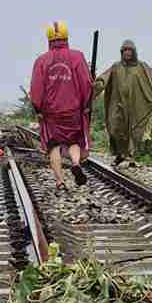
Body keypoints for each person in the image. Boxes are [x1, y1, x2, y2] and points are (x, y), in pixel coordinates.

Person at [29, 21, 94, 188]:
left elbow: (36, 88)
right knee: (74, 141)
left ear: (49, 39)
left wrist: (38, 108)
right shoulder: (77, 56)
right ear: (66, 38)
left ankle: (60, 181)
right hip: (73, 111)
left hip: (51, 113)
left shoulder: (41, 61)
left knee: (53, 146)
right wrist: (86, 105)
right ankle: (76, 163)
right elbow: (86, 83)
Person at [94, 40, 152, 165]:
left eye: (129, 50)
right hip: (118, 104)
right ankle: (120, 154)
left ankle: (132, 157)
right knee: (116, 129)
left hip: (136, 105)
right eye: (124, 50)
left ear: (134, 52)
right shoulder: (116, 67)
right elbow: (104, 77)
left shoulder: (142, 67)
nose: (127, 52)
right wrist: (98, 84)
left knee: (135, 131)